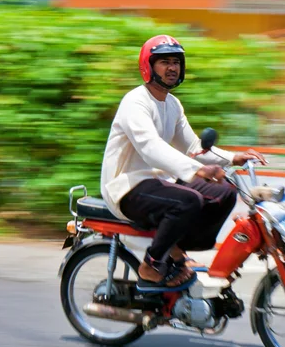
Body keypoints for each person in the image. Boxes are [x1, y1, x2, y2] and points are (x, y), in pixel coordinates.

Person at [100, 34, 266, 290]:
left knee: (224, 193)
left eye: (176, 61)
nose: (172, 67)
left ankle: (175, 249)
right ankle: (151, 265)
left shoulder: (172, 105)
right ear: (149, 66)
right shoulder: (135, 102)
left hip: (156, 184)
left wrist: (233, 158)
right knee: (187, 201)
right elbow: (150, 147)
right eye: (164, 61)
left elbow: (193, 147)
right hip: (126, 186)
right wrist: (197, 170)